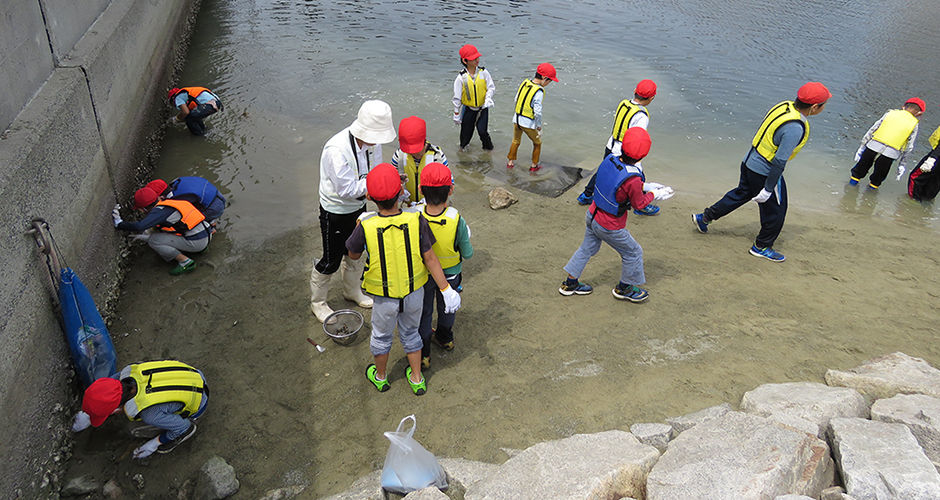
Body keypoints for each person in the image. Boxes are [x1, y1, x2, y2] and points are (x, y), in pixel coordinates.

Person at [345, 164, 461, 396]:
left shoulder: (366, 225)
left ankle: (380, 377)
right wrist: (446, 288)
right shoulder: (417, 220)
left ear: (368, 196)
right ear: (401, 193)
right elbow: (430, 259)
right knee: (411, 333)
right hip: (414, 293)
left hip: (384, 297)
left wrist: (361, 225)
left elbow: (353, 254)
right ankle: (417, 378)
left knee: (381, 335)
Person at [692, 82, 831, 263]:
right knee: (776, 211)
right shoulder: (794, 128)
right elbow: (780, 160)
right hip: (764, 172)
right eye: (824, 104)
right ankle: (762, 246)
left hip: (749, 161)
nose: (824, 107)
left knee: (740, 194)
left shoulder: (784, 106)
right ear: (814, 107)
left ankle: (705, 217)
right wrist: (768, 188)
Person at [560, 128, 672, 302]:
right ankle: (624, 289)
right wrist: (655, 194)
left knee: (586, 249)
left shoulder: (610, 159)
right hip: (609, 225)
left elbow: (616, 183)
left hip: (592, 214)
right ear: (643, 156)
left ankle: (570, 284)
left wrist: (645, 186)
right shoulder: (633, 179)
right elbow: (638, 204)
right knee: (633, 252)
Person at [311, 100, 396, 322]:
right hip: (336, 210)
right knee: (331, 257)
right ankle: (318, 302)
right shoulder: (336, 150)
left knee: (356, 250)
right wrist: (377, 186)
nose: (378, 142)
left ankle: (351, 291)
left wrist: (387, 182)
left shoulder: (372, 144)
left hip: (359, 206)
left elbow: (375, 171)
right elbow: (345, 188)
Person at [70, 360, 208, 459]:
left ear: (119, 407)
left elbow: (182, 426)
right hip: (193, 375)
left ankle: (186, 433)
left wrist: (155, 443)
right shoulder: (130, 372)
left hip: (198, 402)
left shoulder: (149, 414)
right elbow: (111, 384)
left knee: (134, 428)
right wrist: (89, 415)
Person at [415, 162, 473, 369]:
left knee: (424, 313)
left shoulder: (414, 215)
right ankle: (445, 338)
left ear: (421, 189)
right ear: (451, 189)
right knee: (448, 308)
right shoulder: (457, 219)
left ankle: (424, 355)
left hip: (422, 275)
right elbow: (468, 253)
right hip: (450, 276)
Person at [578, 79, 659, 216]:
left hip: (611, 144)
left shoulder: (624, 103)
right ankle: (640, 206)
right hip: (625, 150)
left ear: (635, 91)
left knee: (603, 170)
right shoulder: (641, 115)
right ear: (652, 98)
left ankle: (586, 195)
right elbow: (637, 138)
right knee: (638, 176)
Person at [114, 187, 212, 275]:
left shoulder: (159, 212)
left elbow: (139, 226)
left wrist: (119, 224)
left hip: (197, 242)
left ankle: (185, 262)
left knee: (153, 240)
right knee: (165, 233)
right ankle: (200, 250)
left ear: (143, 209)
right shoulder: (171, 202)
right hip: (207, 234)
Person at [850, 98, 925, 189]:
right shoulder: (914, 124)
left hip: (873, 146)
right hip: (890, 153)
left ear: (903, 106)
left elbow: (873, 129)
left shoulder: (890, 113)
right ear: (919, 113)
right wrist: (902, 164)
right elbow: (909, 146)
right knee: (878, 177)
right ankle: (870, 194)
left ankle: (850, 188)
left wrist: (862, 146)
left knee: (859, 170)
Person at [507, 63, 558, 172]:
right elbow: (538, 112)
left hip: (516, 119)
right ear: (544, 78)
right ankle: (534, 166)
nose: (549, 83)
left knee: (516, 140)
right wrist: (538, 127)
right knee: (537, 143)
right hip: (527, 123)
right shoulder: (538, 91)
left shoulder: (525, 83)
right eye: (550, 81)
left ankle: (510, 163)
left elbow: (516, 99)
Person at [390, 116, 449, 205]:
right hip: (408, 204)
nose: (412, 153)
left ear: (424, 140)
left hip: (432, 205)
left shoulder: (437, 156)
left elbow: (448, 184)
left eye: (415, 149)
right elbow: (390, 182)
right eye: (407, 149)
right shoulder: (399, 156)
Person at [453, 44, 495, 151]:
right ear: (465, 61)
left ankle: (489, 151)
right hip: (468, 109)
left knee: (483, 132)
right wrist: (456, 114)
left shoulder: (483, 72)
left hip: (482, 108)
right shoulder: (461, 77)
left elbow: (491, 87)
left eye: (477, 57)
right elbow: (457, 98)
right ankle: (462, 152)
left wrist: (488, 99)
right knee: (465, 135)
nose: (477, 60)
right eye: (473, 58)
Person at [147, 176, 226, 222]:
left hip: (215, 208)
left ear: (161, 196)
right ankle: (210, 221)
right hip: (217, 195)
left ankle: (209, 227)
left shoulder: (175, 198)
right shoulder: (177, 181)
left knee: (189, 220)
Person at [908, 125, 940, 201]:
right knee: (935, 182)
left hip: (937, 156)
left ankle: (913, 203)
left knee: (915, 178)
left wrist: (933, 157)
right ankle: (925, 205)